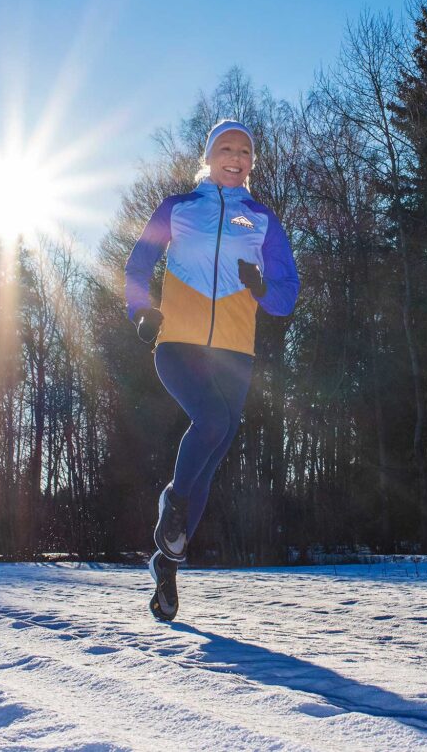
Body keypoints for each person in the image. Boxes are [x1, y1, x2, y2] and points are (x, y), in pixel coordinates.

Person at [124, 119, 300, 621]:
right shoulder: (178, 209)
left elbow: (286, 294)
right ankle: (171, 507)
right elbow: (138, 265)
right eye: (226, 147)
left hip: (234, 356)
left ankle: (168, 563)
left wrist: (262, 287)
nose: (235, 156)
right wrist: (141, 311)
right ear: (209, 156)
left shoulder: (262, 220)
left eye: (244, 150)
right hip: (178, 344)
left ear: (251, 162)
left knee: (210, 458)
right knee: (214, 423)